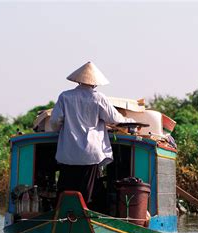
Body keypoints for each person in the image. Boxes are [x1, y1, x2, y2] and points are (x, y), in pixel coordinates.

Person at [50, 61, 135, 204]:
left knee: (65, 189)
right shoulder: (98, 98)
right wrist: (130, 120)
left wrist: (62, 129)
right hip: (90, 153)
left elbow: (55, 122)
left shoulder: (65, 97)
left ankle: (63, 214)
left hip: (68, 152)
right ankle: (86, 213)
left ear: (78, 80)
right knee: (86, 192)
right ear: (95, 83)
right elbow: (113, 118)